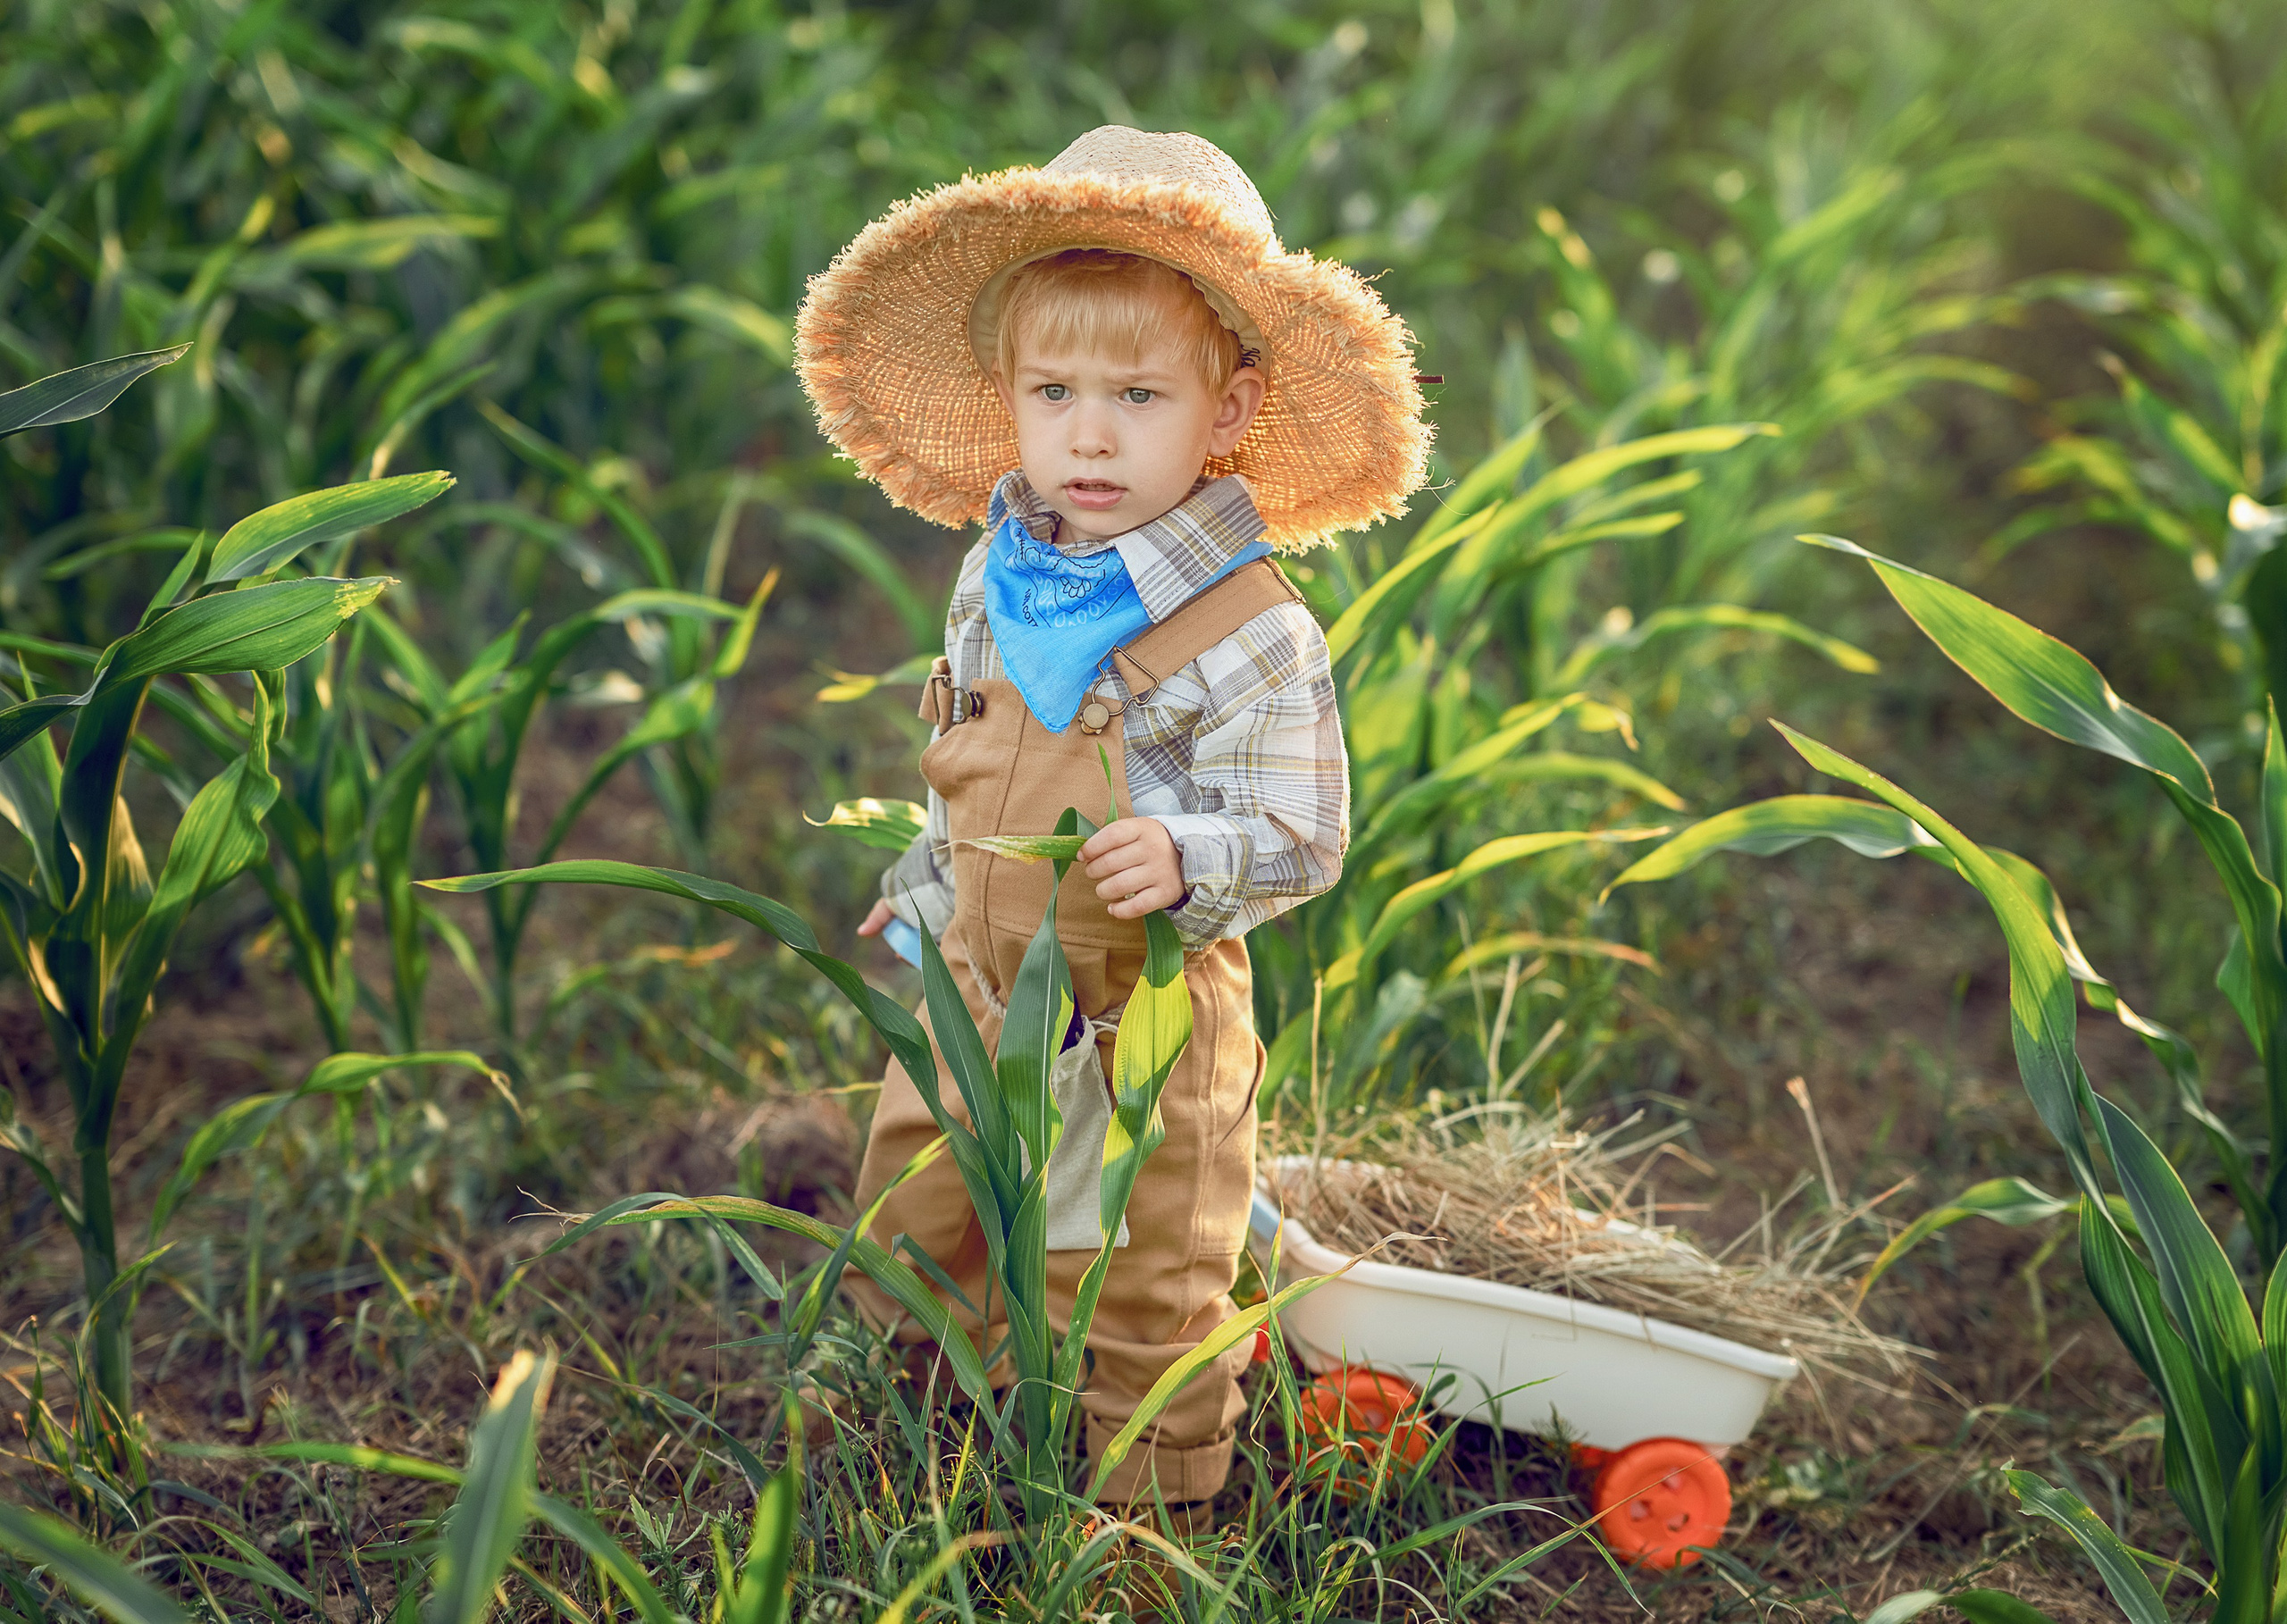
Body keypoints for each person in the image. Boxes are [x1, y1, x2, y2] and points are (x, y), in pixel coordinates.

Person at [792, 125, 1430, 1519]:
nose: (1090, 431)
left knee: (1141, 1256)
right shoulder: (998, 571)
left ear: (1227, 410)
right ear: (1009, 400)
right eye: (1056, 389)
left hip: (1137, 1007)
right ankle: (907, 1424)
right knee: (924, 1183)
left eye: (1138, 393)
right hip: (977, 969)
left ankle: (1146, 1509)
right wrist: (927, 870)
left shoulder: (1251, 628)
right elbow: (969, 750)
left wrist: (1194, 853)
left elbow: (1303, 829)